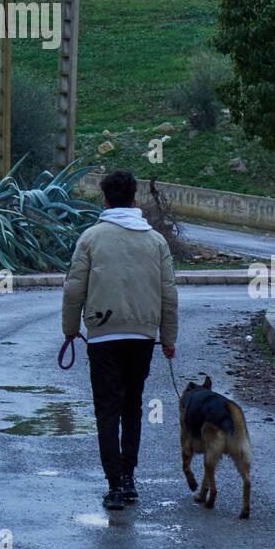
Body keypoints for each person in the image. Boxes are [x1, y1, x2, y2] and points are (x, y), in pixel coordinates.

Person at [62, 169, 178, 510]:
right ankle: (129, 479)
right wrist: (168, 338)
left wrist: (70, 329)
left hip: (102, 336)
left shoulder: (90, 238)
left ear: (106, 199)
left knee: (107, 410)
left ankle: (113, 485)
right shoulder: (156, 241)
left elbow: (73, 290)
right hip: (142, 336)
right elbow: (169, 294)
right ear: (135, 200)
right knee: (132, 406)